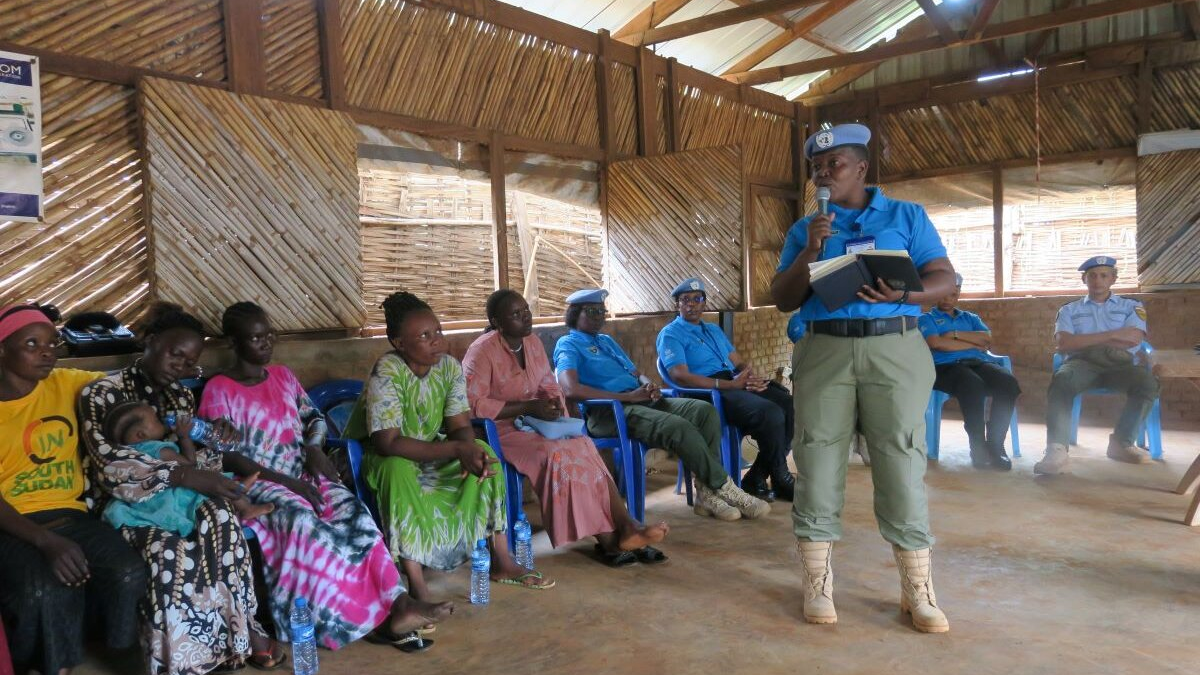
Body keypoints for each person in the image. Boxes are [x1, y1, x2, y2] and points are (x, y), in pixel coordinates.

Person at [771, 123, 957, 633]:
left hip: (894, 344)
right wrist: (811, 250)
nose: (824, 173)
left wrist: (904, 296)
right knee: (816, 455)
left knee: (900, 458)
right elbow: (784, 297)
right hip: (825, 348)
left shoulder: (906, 216)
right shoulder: (805, 228)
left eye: (835, 164)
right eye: (817, 167)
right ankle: (817, 583)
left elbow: (946, 279)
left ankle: (917, 590)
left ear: (861, 168)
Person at [198, 302, 453, 652]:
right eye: (255, 338)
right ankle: (355, 619)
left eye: (269, 335)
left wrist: (316, 449)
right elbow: (222, 452)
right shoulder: (219, 389)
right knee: (307, 525)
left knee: (355, 518)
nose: (265, 343)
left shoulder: (284, 376)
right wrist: (289, 484)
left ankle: (398, 603)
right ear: (233, 342)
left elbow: (314, 418)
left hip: (304, 475)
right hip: (260, 485)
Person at [78, 302, 286, 675]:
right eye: (176, 355)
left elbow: (199, 464)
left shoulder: (181, 396)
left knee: (222, 519)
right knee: (169, 552)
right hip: (131, 505)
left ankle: (240, 633)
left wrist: (217, 440)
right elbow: (109, 466)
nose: (183, 367)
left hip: (183, 497)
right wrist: (182, 476)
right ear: (151, 341)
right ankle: (184, 659)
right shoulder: (102, 394)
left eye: (191, 363)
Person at [344, 291, 555, 603]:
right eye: (424, 335)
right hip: (382, 456)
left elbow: (458, 426)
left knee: (485, 449)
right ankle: (416, 583)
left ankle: (502, 560)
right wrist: (457, 451)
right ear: (399, 343)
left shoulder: (448, 368)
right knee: (397, 468)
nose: (436, 341)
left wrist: (470, 451)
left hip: (430, 449)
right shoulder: (387, 370)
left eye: (438, 331)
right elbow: (387, 442)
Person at [463, 290, 669, 567]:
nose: (525, 316)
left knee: (582, 445)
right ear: (497, 322)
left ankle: (628, 526)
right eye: (515, 314)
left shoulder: (532, 343)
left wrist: (552, 405)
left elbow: (548, 383)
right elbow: (473, 404)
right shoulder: (482, 351)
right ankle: (609, 540)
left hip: (536, 424)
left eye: (526, 309)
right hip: (500, 432)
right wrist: (527, 408)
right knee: (560, 456)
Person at [0, 303, 145, 675]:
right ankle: (52, 666)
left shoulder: (66, 383)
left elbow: (126, 383)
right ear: (2, 349)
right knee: (42, 590)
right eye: (32, 344)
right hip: (12, 521)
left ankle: (121, 652)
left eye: (52, 343)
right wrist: (45, 541)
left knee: (126, 571)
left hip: (69, 512)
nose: (47, 352)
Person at [553, 288, 769, 522]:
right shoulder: (568, 344)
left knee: (704, 411)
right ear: (575, 313)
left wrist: (648, 386)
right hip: (610, 411)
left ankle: (706, 495)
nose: (599, 317)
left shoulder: (606, 341)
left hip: (640, 399)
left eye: (602, 311)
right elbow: (570, 389)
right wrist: (629, 398)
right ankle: (727, 488)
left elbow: (636, 373)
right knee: (678, 426)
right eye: (592, 311)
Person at [656, 277, 795, 501]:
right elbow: (679, 375)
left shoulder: (713, 330)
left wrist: (749, 376)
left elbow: (736, 360)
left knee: (787, 404)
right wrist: (730, 384)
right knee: (770, 413)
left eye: (697, 299)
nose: (691, 304)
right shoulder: (671, 334)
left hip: (733, 383)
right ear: (677, 305)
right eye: (685, 300)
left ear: (704, 303)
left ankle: (757, 475)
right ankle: (780, 475)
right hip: (708, 392)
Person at [1033, 256, 1160, 475]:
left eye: (1103, 275)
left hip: (1120, 365)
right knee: (1062, 380)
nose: (1097, 280)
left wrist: (1086, 338)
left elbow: (1134, 339)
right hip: (1082, 363)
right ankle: (1057, 449)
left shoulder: (1132, 306)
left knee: (1147, 383)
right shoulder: (1069, 310)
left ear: (1113, 278)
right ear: (1084, 279)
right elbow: (1065, 343)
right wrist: (1114, 334)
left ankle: (1122, 443)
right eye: (1092, 275)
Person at [100, 402, 273, 533]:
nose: (162, 422)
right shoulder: (155, 448)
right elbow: (189, 464)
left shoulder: (134, 452)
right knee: (211, 483)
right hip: (172, 494)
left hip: (155, 496)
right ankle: (244, 505)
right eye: (155, 420)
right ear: (141, 435)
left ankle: (237, 492)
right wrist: (184, 437)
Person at [918, 274, 1020, 470]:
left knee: (1008, 383)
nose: (947, 299)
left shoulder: (971, 318)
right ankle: (978, 445)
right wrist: (971, 342)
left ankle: (996, 445)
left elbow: (987, 339)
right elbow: (936, 343)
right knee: (972, 385)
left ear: (959, 295)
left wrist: (954, 335)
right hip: (944, 368)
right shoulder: (927, 318)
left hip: (977, 363)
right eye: (944, 295)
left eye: (953, 295)